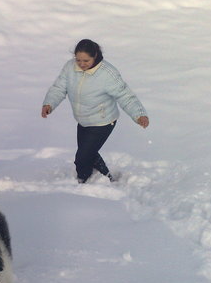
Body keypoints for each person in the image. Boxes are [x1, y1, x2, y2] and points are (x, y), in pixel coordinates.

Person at [41, 39, 149, 183]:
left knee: (82, 158)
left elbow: (125, 95)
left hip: (103, 122)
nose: (81, 64)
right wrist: (49, 103)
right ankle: (107, 178)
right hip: (83, 121)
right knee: (88, 153)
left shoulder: (107, 73)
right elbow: (59, 88)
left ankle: (83, 181)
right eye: (78, 60)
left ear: (95, 56)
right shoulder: (70, 68)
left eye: (86, 60)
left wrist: (139, 114)